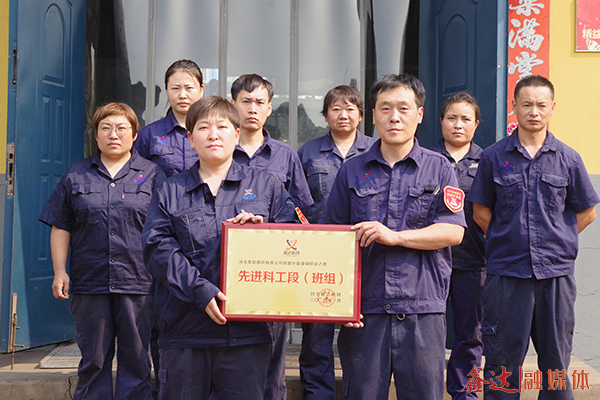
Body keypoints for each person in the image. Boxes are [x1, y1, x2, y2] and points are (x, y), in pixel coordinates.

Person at [320, 73, 466, 400]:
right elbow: (332, 239)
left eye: (403, 108)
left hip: (422, 309)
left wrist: (396, 237)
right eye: (385, 109)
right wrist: (343, 305)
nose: (394, 117)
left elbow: (453, 231)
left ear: (420, 114)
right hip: (366, 313)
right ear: (373, 116)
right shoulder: (352, 170)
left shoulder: (440, 169)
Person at [141, 96, 298, 400]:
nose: (213, 134)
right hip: (184, 331)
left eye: (222, 127)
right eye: (203, 128)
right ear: (190, 139)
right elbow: (157, 248)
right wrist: (199, 290)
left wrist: (264, 232)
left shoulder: (267, 186)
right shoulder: (170, 190)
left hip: (247, 335)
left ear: (236, 135)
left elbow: (294, 243)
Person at [468, 75, 599, 399]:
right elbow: (480, 212)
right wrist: (510, 238)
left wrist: (558, 239)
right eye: (526, 104)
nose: (534, 111)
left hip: (555, 276)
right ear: (514, 106)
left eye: (541, 105)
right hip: (507, 275)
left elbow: (587, 212)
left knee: (556, 364)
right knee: (501, 363)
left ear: (552, 108)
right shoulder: (494, 157)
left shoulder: (568, 158)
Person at [39, 103, 166, 400]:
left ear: (135, 134)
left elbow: (165, 229)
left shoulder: (153, 174)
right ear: (95, 135)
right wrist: (59, 271)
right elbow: (61, 225)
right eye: (105, 128)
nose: (113, 134)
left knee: (137, 358)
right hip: (91, 281)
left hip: (139, 281)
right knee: (93, 359)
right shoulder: (77, 174)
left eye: (122, 128)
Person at [230, 73, 313, 400]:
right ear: (233, 104)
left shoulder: (285, 155)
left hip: (272, 270)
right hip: (227, 269)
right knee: (231, 358)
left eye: (259, 102)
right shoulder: (219, 149)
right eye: (245, 101)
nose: (252, 108)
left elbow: (301, 213)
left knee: (273, 359)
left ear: (268, 109)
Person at [297, 85, 376, 399]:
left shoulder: (376, 149)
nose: (343, 115)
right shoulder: (308, 152)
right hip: (320, 252)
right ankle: (318, 392)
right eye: (336, 109)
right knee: (317, 329)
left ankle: (358, 389)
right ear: (326, 114)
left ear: (361, 114)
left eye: (350, 108)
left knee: (362, 328)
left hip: (366, 252)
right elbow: (297, 202)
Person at [430, 93, 486, 400]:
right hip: (430, 261)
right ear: (441, 121)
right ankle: (427, 389)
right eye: (451, 118)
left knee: (471, 334)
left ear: (476, 124)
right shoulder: (426, 159)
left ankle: (467, 393)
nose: (458, 124)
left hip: (474, 261)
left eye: (465, 119)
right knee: (427, 333)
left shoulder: (488, 161)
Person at [134, 59, 205, 177]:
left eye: (189, 88)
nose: (182, 95)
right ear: (167, 91)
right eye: (175, 88)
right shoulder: (150, 134)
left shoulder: (214, 133)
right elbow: (135, 175)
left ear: (201, 90)